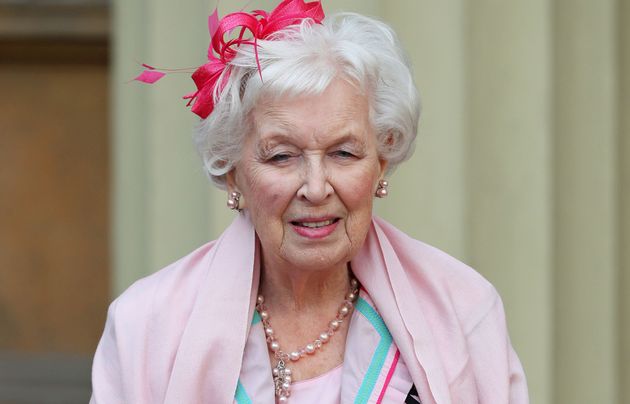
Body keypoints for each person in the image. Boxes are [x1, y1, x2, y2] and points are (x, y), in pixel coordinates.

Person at [91, 1, 529, 403]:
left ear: (381, 161)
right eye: (282, 155)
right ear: (231, 171)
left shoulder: (463, 309)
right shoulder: (145, 325)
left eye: (344, 153)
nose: (316, 188)